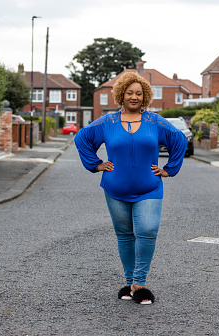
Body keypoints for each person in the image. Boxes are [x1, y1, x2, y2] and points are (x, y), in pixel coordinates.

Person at [74, 72, 187, 305]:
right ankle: (129, 283)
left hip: (149, 188)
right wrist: (96, 164)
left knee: (147, 230)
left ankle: (139, 283)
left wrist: (169, 168)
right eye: (129, 93)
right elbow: (82, 138)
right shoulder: (107, 122)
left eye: (139, 93)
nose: (134, 97)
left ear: (144, 96)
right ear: (121, 95)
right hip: (115, 189)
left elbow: (179, 139)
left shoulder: (155, 121)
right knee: (125, 236)